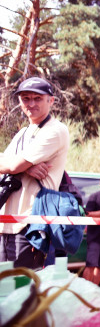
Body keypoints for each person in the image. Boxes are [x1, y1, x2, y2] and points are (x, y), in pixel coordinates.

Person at [0, 77, 69, 268]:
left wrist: (19, 165)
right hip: (7, 224)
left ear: (51, 100)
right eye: (25, 98)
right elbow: (10, 164)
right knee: (6, 290)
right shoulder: (23, 133)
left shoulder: (56, 130)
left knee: (25, 289)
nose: (31, 103)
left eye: (37, 98)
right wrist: (27, 167)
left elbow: (13, 166)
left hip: (30, 226)